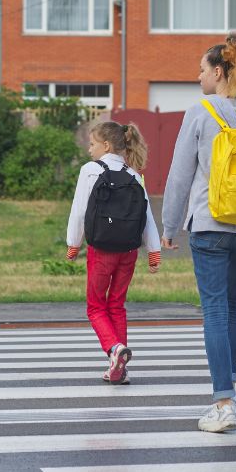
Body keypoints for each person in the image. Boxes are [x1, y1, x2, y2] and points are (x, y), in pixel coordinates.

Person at [161, 33, 236, 432]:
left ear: (218, 71)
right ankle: (231, 393)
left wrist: (168, 225)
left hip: (210, 225)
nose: (198, 78)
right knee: (232, 305)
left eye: (201, 70)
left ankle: (223, 400)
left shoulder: (199, 112)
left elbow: (180, 175)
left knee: (214, 308)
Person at [66, 121, 161, 385]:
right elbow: (147, 216)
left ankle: (114, 350)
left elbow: (79, 211)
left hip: (101, 250)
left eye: (92, 144)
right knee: (116, 305)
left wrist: (73, 244)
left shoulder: (90, 171)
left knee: (96, 306)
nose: (89, 149)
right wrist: (154, 251)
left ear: (106, 145)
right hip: (128, 251)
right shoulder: (133, 174)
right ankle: (119, 368)